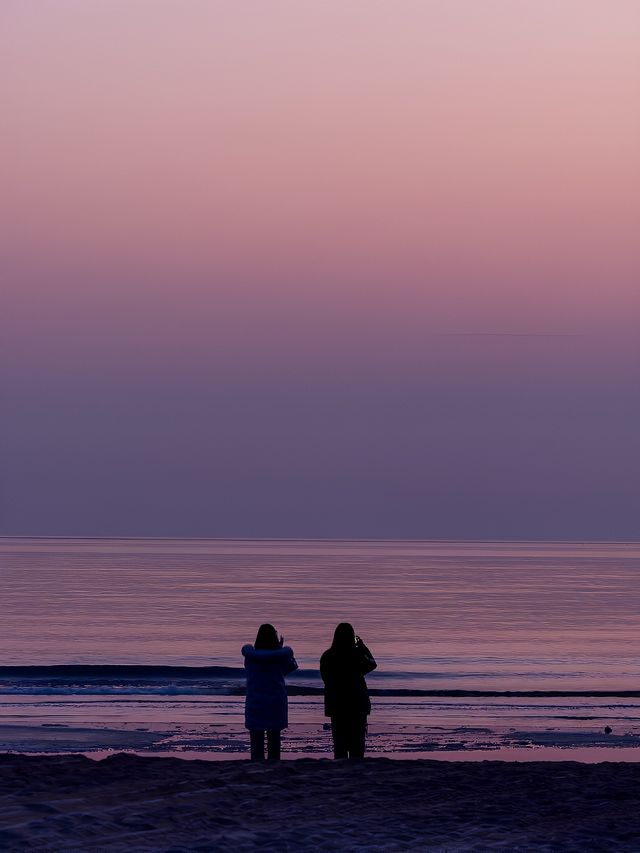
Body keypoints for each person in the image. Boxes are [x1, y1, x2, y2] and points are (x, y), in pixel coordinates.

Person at [320, 622, 377, 759]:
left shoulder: (328, 656)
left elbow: (325, 679)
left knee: (340, 744)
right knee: (357, 744)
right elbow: (372, 663)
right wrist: (362, 646)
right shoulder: (356, 655)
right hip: (357, 703)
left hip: (337, 704)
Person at [241, 624, 298, 760]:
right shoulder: (280, 658)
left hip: (256, 702)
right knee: (274, 743)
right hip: (275, 702)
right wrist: (280, 649)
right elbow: (292, 667)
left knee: (256, 744)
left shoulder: (250, 658)